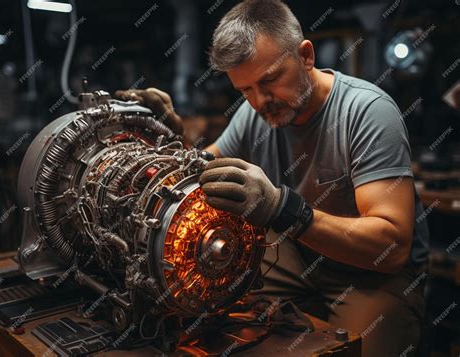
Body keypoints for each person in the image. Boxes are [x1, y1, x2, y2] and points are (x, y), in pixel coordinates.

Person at [116, 1, 429, 355]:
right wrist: (169, 139)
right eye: (245, 90)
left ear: (305, 56)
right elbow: (203, 172)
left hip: (371, 275)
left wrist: (283, 209)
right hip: (298, 256)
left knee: (354, 349)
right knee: (211, 316)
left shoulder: (367, 112)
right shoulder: (258, 115)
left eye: (269, 80)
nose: (260, 101)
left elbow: (391, 249)